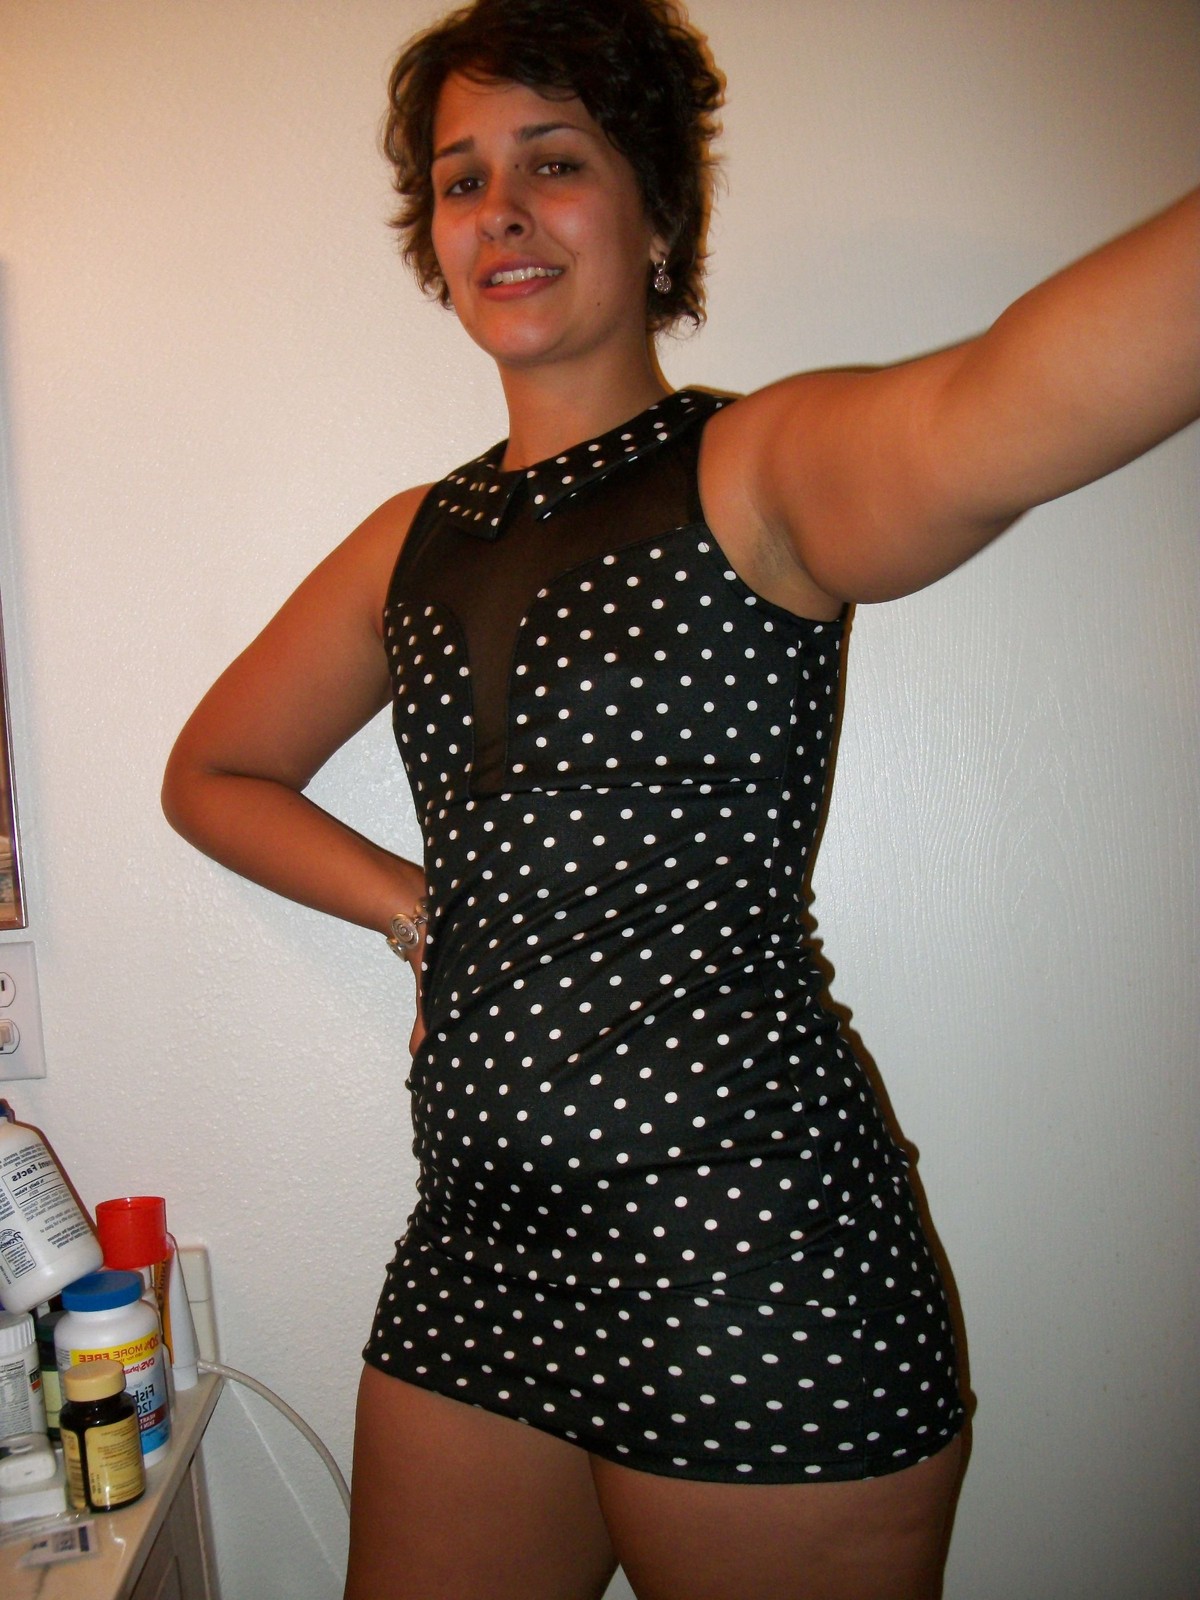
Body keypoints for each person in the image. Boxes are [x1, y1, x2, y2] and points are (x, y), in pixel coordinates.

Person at [161, 1, 1199, 1595]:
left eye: (555, 163)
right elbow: (212, 773)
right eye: (461, 180)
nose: (500, 211)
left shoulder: (753, 470)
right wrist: (414, 908)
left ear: (657, 218)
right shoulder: (409, 542)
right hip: (480, 1255)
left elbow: (1006, 403)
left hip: (744, 1249)